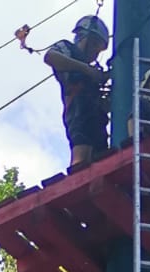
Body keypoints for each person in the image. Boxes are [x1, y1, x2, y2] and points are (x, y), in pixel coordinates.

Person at [43, 16, 110, 170]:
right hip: (78, 109)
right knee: (83, 141)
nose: (95, 53)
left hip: (95, 116)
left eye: (98, 49)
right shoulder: (67, 49)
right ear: (82, 36)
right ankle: (78, 170)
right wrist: (87, 70)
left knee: (100, 149)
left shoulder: (91, 68)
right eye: (93, 45)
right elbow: (50, 57)